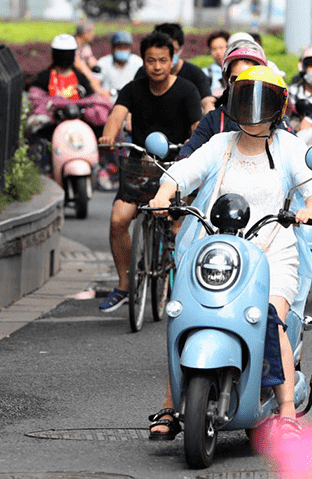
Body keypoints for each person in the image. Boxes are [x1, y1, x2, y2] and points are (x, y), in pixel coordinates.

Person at [146, 65, 312, 440]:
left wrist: (310, 205)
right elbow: (184, 171)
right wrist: (163, 195)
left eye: (262, 101)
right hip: (218, 249)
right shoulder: (220, 145)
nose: (253, 109)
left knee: (269, 318)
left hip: (272, 249)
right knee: (185, 313)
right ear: (233, 102)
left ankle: (287, 412)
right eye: (246, 98)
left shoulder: (289, 148)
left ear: (278, 108)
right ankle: (170, 402)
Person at [97, 31, 203, 313]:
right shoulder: (133, 89)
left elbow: (197, 129)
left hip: (176, 166)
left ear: (172, 60)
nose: (156, 66)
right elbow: (116, 116)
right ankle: (124, 284)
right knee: (119, 218)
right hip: (140, 166)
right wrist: (109, 136)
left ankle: (187, 281)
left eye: (163, 60)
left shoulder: (187, 91)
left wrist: (191, 153)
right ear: (142, 61)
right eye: (150, 60)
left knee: (182, 224)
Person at [178, 45, 269, 157]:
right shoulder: (214, 119)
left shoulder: (275, 118)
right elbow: (190, 149)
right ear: (227, 80)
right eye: (235, 79)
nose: (241, 85)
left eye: (247, 79)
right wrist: (184, 159)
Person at [134, 23, 214, 115]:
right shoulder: (144, 72)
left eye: (173, 50)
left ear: (181, 49)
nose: (157, 67)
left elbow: (207, 101)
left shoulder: (195, 74)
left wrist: (210, 119)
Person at [32, 34, 94, 100]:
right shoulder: (44, 78)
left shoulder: (81, 78)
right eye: (61, 53)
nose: (64, 57)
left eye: (68, 53)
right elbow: (36, 99)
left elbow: (91, 99)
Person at [96, 30, 143, 103]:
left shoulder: (137, 62)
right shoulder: (103, 63)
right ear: (113, 48)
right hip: (109, 102)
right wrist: (101, 92)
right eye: (120, 47)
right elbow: (95, 81)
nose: (123, 50)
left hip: (132, 103)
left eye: (125, 48)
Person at [73, 21, 111, 99]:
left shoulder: (85, 45)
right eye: (92, 32)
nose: (93, 35)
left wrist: (99, 70)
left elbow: (91, 60)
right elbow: (78, 64)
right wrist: (92, 78)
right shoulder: (72, 44)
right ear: (85, 33)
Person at [203, 30, 230, 96]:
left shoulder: (237, 70)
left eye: (221, 47)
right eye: (214, 49)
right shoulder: (206, 73)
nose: (218, 52)